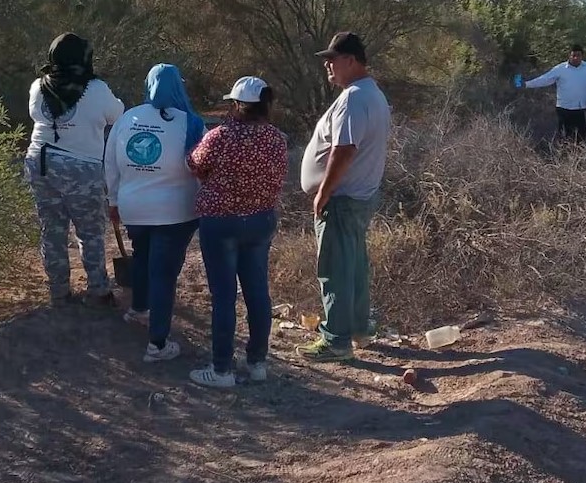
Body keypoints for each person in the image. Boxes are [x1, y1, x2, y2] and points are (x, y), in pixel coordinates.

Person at [186, 77, 289, 388]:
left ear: (237, 104)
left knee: (224, 296)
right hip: (259, 220)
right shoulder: (276, 139)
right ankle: (257, 362)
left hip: (220, 222)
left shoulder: (219, 137)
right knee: (258, 293)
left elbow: (194, 164)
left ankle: (221, 370)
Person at [298, 32, 392, 363]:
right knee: (353, 264)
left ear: (350, 61)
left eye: (332, 59)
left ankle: (337, 340)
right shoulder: (372, 94)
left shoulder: (354, 97)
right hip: (358, 195)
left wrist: (323, 192)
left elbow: (344, 149)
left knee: (335, 268)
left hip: (342, 198)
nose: (328, 65)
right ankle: (359, 328)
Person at [105, 64, 203, 363]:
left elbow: (110, 162)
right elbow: (202, 168)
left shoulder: (127, 118)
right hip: (176, 211)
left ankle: (138, 309)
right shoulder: (192, 123)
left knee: (143, 256)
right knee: (164, 273)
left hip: (134, 207)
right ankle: (157, 344)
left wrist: (112, 200)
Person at [25, 33, 125, 308]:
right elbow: (117, 115)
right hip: (81, 166)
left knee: (52, 230)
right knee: (90, 231)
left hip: (41, 163)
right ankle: (98, 291)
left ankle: (58, 292)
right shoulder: (96, 89)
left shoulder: (38, 86)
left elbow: (36, 114)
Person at [520, 44, 586, 144]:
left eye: (578, 55)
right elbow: (545, 79)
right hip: (564, 109)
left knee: (581, 137)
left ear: (582, 56)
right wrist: (527, 84)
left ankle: (579, 157)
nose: (575, 58)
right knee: (565, 137)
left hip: (582, 108)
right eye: (573, 55)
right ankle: (564, 157)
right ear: (569, 56)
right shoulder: (561, 69)